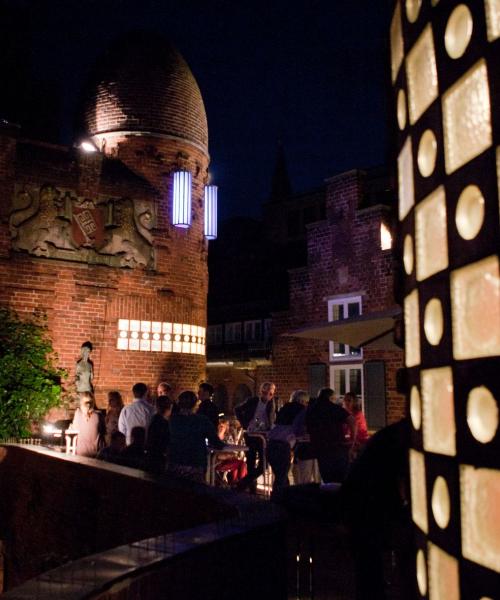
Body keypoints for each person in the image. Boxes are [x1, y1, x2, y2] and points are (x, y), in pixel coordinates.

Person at [168, 390, 224, 483]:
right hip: (195, 462)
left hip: (175, 461)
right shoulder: (202, 420)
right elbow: (215, 442)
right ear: (195, 404)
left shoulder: (172, 420)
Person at [306, 387, 355, 483]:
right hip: (337, 447)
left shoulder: (311, 409)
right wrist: (352, 439)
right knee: (341, 478)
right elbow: (352, 421)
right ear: (330, 398)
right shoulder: (334, 408)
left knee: (327, 478)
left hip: (320, 448)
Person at [235, 381, 277, 492]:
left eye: (270, 393)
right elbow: (237, 409)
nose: (267, 395)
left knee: (264, 464)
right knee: (251, 461)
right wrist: (245, 424)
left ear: (272, 394)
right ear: (260, 392)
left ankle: (242, 484)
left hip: (264, 435)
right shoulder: (253, 401)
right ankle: (251, 489)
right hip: (251, 434)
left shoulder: (273, 403)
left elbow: (273, 419)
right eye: (264, 392)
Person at [267, 389, 309, 498]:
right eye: (306, 402)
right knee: (282, 477)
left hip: (271, 443)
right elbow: (300, 428)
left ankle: (283, 498)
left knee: (281, 476)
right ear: (303, 401)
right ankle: (276, 501)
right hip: (283, 445)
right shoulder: (302, 410)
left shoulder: (284, 408)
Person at [68, 392, 105, 457]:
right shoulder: (78, 414)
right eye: (86, 403)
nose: (88, 405)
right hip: (82, 453)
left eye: (89, 403)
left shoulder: (98, 416)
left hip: (95, 454)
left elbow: (103, 432)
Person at [214, 417, 247, 485]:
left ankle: (236, 485)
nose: (221, 428)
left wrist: (229, 455)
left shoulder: (228, 437)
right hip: (217, 463)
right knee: (241, 464)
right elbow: (217, 455)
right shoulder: (214, 437)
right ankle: (241, 485)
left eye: (224, 426)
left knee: (240, 464)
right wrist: (227, 455)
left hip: (228, 460)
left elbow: (233, 451)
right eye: (220, 426)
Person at [145, 395, 173, 474]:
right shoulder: (163, 423)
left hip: (151, 456)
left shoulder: (154, 419)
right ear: (170, 407)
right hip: (158, 458)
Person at [343, 392, 369, 457]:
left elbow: (359, 432)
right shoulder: (344, 414)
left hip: (359, 442)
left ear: (354, 402)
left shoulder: (358, 415)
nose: (346, 402)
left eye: (349, 400)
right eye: (345, 400)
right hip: (347, 442)